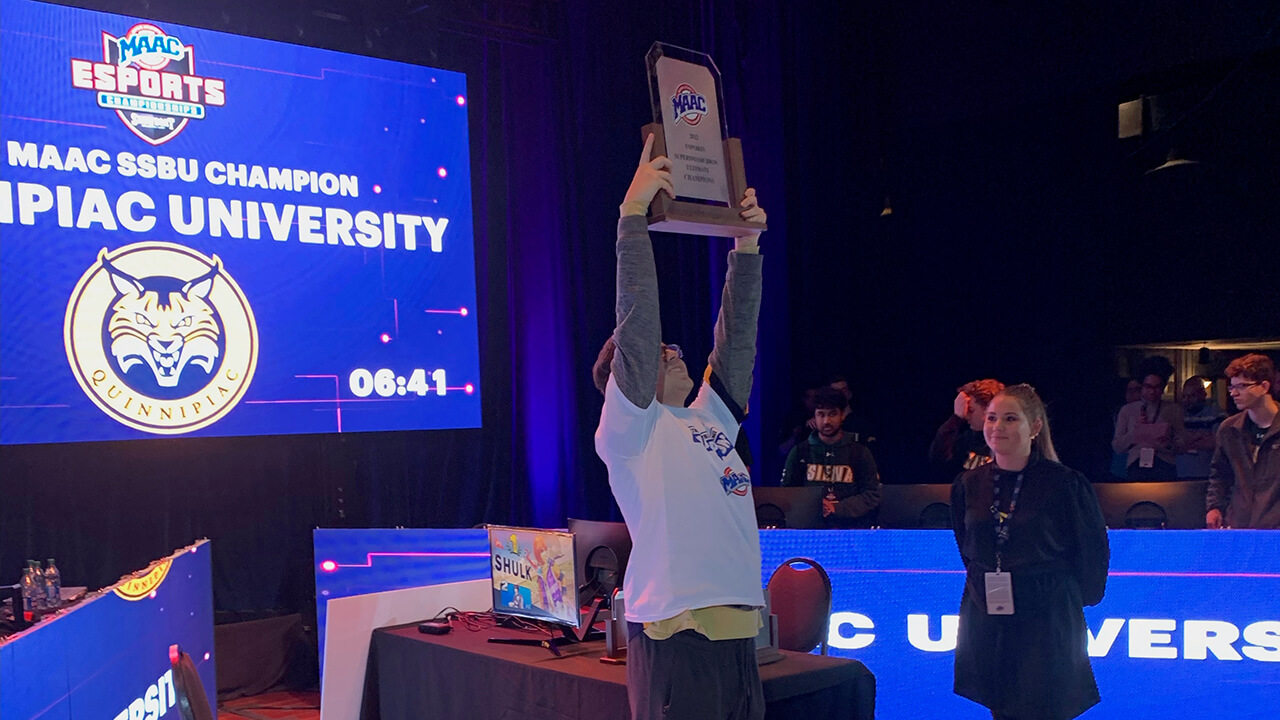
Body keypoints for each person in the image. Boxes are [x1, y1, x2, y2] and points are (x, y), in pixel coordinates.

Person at [593, 134, 768, 720]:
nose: (673, 351)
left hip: (738, 629)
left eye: (673, 348)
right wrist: (632, 217)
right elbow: (637, 329)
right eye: (660, 352)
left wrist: (746, 247)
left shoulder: (708, 415)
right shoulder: (630, 430)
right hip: (678, 633)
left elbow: (735, 340)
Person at [951, 384, 1109, 720]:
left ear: (1034, 427)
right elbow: (967, 545)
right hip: (987, 610)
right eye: (992, 418)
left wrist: (1067, 597)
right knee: (1000, 703)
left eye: (1010, 418)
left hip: (1047, 612)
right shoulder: (968, 483)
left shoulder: (1066, 483)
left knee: (1046, 706)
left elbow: (1092, 552)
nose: (997, 427)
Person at [780, 385, 881, 527]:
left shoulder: (860, 452)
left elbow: (872, 494)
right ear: (814, 416)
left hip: (852, 530)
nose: (826, 421)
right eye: (821, 414)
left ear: (842, 415)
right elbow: (786, 494)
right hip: (810, 531)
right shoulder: (800, 452)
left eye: (832, 414)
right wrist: (815, 506)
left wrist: (837, 508)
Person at [1206, 354, 1280, 529]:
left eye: (1242, 386)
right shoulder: (1229, 429)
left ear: (1264, 386)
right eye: (1232, 386)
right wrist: (1214, 507)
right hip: (1240, 527)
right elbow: (1220, 475)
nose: (1233, 392)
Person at [1111, 356, 1185, 480]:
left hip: (1165, 466)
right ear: (1142, 386)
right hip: (1136, 467)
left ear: (1163, 387)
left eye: (1157, 387)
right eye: (1148, 386)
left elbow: (1182, 446)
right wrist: (1135, 433)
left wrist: (1168, 443)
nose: (1152, 391)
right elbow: (1118, 447)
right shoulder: (1127, 410)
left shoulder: (1174, 410)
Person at [930, 379, 1005, 472]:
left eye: (971, 410)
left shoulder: (1005, 440)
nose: (966, 416)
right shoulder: (967, 440)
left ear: (988, 409)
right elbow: (938, 459)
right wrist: (956, 418)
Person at [1176, 376, 1226, 478]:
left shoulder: (1216, 413)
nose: (1187, 400)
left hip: (1208, 474)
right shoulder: (1178, 415)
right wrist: (1200, 436)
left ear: (1203, 394)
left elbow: (1218, 441)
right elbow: (1173, 442)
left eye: (1192, 396)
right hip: (1180, 474)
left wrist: (1187, 440)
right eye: (1184, 396)